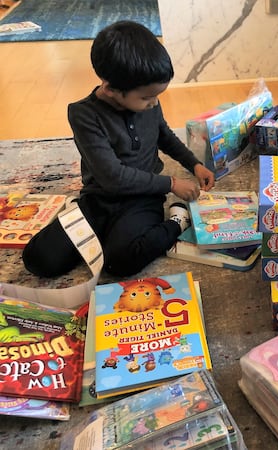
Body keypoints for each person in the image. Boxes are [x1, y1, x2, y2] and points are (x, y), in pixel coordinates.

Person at [22, 20, 215, 278]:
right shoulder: (83, 114)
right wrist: (170, 183)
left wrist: (194, 163)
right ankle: (106, 226)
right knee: (39, 259)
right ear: (111, 88)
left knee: (119, 263)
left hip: (143, 198)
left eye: (157, 95)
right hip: (99, 198)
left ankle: (177, 220)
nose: (154, 103)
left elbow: (164, 136)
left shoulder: (148, 102)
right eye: (146, 97)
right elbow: (113, 176)